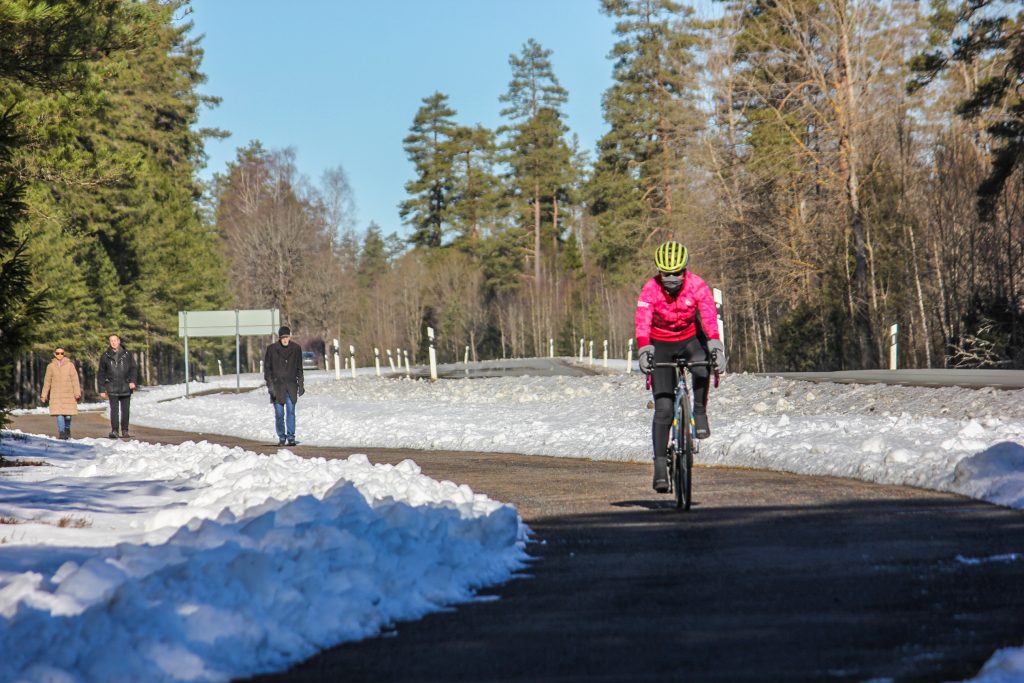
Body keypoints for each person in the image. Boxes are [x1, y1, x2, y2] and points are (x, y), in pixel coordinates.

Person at [635, 240, 727, 493]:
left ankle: (698, 411)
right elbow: (642, 321)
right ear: (659, 271)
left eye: (677, 273)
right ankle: (660, 468)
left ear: (685, 270)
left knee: (700, 365)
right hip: (660, 341)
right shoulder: (650, 289)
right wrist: (644, 348)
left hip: (689, 339)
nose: (672, 278)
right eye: (667, 273)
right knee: (663, 409)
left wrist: (715, 345)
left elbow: (708, 316)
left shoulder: (697, 285)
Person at [264, 325, 304, 446]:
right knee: (279, 414)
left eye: (287, 337)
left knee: (291, 411)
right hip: (277, 387)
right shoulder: (272, 349)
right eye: (283, 337)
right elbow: (267, 369)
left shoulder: (296, 349)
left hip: (291, 386)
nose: (285, 339)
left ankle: (291, 437)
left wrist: (301, 384)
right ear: (279, 338)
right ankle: (282, 436)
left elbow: (299, 368)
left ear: (289, 336)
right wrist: (270, 386)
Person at [98, 334, 138, 439]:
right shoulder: (105, 356)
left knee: (125, 410)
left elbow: (133, 369)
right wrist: (102, 389)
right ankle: (114, 430)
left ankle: (125, 430)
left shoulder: (127, 354)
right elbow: (101, 373)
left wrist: (133, 381)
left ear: (119, 341)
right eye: (111, 341)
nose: (113, 342)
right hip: (111, 386)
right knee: (114, 410)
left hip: (126, 385)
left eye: (115, 340)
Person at [40, 347, 82, 440]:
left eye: (61, 353)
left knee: (67, 416)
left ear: (64, 354)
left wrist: (77, 393)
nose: (60, 355)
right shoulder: (50, 366)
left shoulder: (70, 365)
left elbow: (75, 380)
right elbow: (47, 382)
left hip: (69, 394)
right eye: (58, 353)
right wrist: (44, 395)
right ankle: (62, 433)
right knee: (59, 415)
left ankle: (67, 429)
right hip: (56, 395)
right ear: (55, 354)